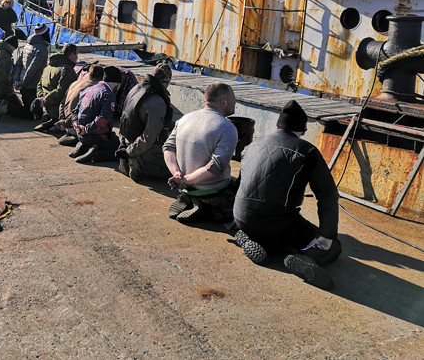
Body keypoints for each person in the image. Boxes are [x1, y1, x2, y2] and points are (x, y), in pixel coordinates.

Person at [233, 100, 341, 290]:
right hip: (278, 223)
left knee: (271, 228)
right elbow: (328, 195)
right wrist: (327, 234)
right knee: (334, 246)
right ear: (302, 131)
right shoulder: (307, 150)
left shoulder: (253, 144)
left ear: (277, 126)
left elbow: (240, 184)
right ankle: (301, 256)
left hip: (241, 218)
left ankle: (253, 239)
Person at [163, 82, 238, 223]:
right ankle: (207, 210)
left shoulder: (184, 119)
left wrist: (177, 174)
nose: (235, 103)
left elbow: (168, 148)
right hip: (211, 192)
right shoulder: (227, 128)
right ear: (223, 102)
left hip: (184, 187)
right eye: (233, 99)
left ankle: (189, 199)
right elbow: (215, 167)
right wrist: (185, 180)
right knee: (241, 198)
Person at [116, 62, 174, 182]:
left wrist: (123, 145)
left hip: (126, 140)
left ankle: (131, 157)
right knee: (176, 162)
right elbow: (148, 137)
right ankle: (138, 162)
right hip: (138, 147)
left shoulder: (136, 88)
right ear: (167, 83)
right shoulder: (157, 102)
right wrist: (129, 152)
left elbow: (124, 117)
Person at [70, 66, 122, 164]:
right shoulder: (108, 94)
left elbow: (75, 111)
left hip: (79, 133)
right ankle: (96, 154)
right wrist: (86, 130)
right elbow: (102, 120)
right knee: (121, 149)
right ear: (116, 83)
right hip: (94, 135)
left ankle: (83, 146)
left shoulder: (89, 89)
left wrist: (76, 124)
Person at [34, 43, 79, 133]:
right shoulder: (67, 70)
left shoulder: (48, 67)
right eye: (76, 54)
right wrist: (45, 101)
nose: (77, 57)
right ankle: (58, 123)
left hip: (45, 108)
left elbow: (39, 85)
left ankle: (49, 119)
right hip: (56, 109)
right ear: (71, 55)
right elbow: (62, 92)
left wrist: (41, 98)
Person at [56, 64, 104, 146]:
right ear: (102, 77)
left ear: (89, 74)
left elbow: (62, 103)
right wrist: (66, 123)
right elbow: (80, 110)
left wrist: (62, 119)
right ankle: (81, 137)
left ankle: (71, 132)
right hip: (76, 126)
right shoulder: (94, 89)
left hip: (66, 123)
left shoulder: (75, 83)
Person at [12, 23, 50, 113]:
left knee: (27, 107)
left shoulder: (27, 46)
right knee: (34, 113)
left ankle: (7, 108)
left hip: (23, 83)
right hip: (32, 85)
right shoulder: (42, 49)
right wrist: (24, 83)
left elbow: (18, 64)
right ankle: (7, 109)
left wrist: (16, 80)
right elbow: (33, 69)